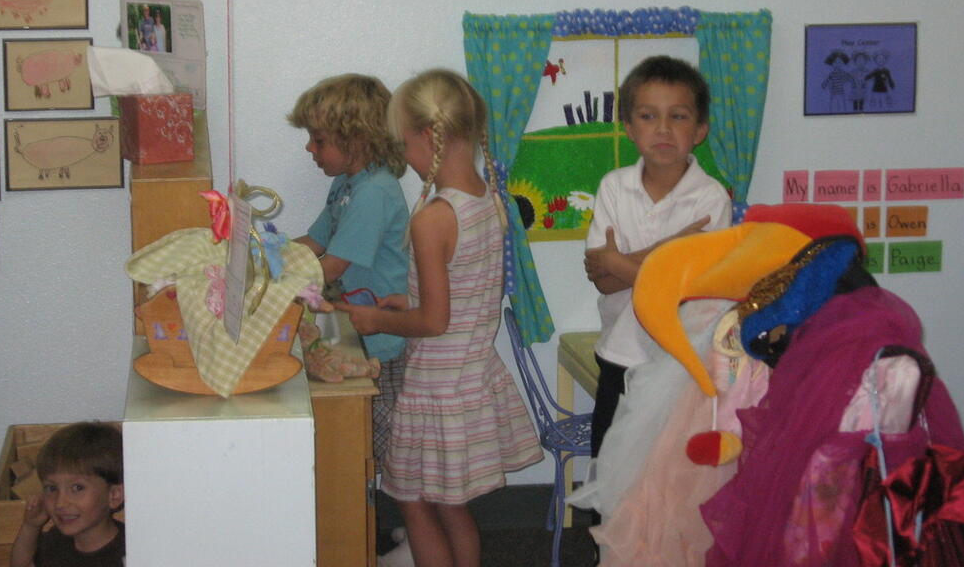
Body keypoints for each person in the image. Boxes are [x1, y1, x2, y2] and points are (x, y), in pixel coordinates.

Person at [337, 69, 542, 567]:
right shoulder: (487, 198)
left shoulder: (433, 218)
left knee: (411, 500)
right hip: (469, 376)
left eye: (404, 142)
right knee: (451, 506)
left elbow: (434, 322)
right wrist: (402, 300)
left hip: (437, 385)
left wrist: (377, 321)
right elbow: (463, 292)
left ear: (429, 137)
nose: (404, 154)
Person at [583, 55, 732, 463]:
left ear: (700, 130)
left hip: (682, 362)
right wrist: (672, 247)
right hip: (619, 355)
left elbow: (684, 291)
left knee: (669, 472)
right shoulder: (614, 188)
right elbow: (603, 281)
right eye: (648, 116)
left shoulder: (711, 199)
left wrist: (617, 262)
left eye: (678, 116)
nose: (663, 129)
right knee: (611, 468)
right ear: (629, 128)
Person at [288, 74, 410, 466]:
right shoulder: (347, 184)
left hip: (380, 339)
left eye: (318, 139)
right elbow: (315, 242)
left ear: (355, 140)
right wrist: (265, 257)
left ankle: (393, 501)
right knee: (361, 442)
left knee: (378, 444)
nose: (310, 148)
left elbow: (331, 266)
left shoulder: (374, 191)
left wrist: (274, 286)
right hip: (355, 327)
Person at [10, 422, 124, 567]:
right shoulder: (56, 540)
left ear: (114, 495)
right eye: (52, 488)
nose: (60, 503)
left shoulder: (130, 550)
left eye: (77, 488)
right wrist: (31, 526)